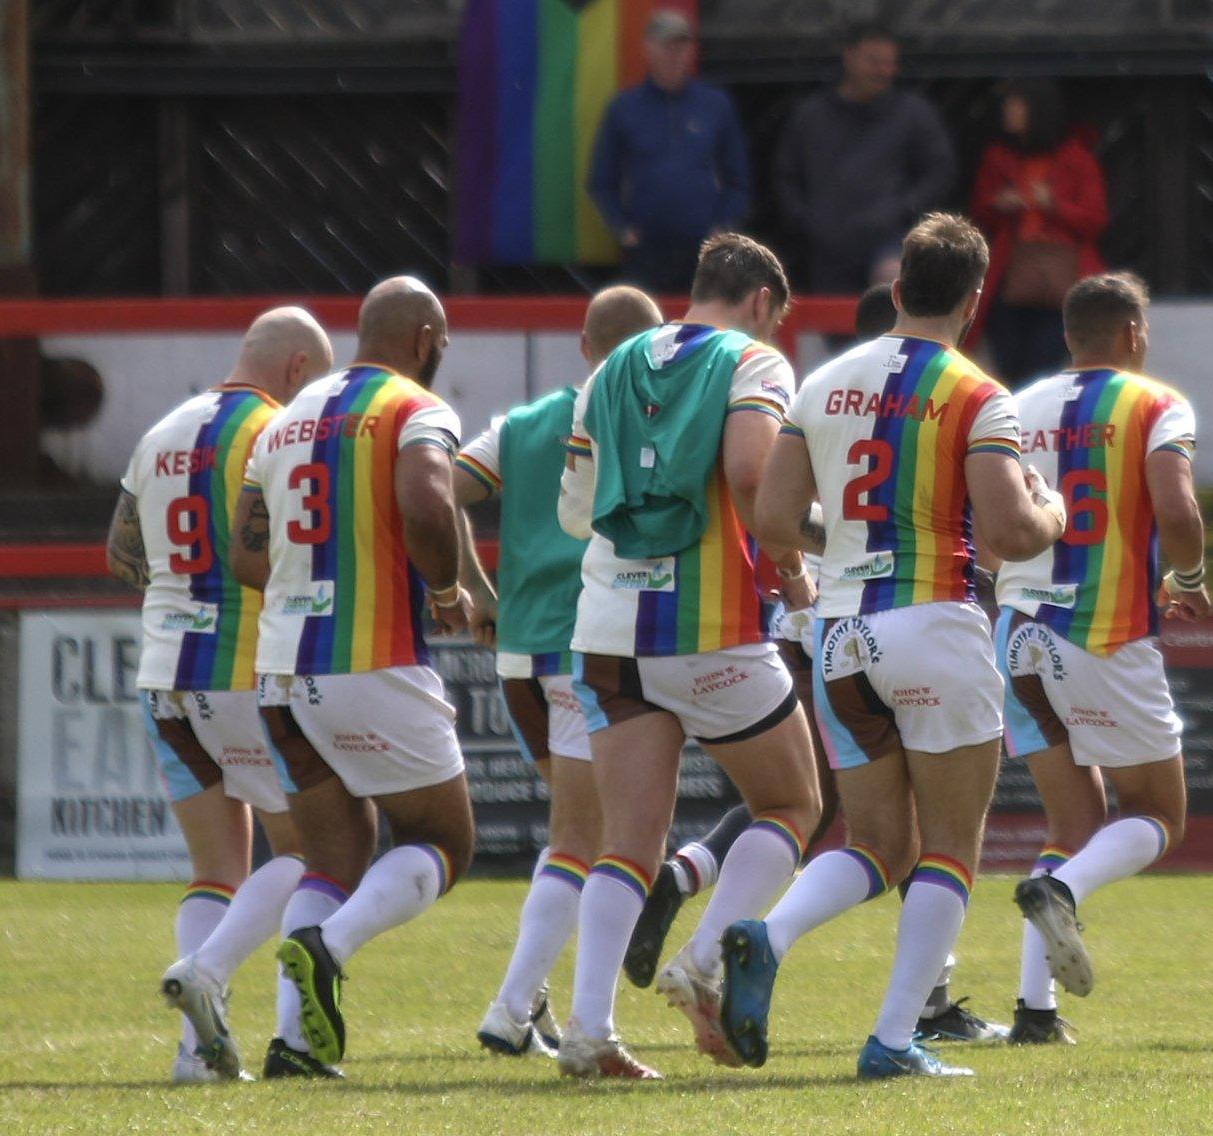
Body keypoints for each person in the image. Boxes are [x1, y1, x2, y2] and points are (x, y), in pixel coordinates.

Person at [726, 213, 1068, 1079]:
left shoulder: (823, 383)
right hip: (936, 623)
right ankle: (890, 1040)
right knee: (950, 846)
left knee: (876, 844)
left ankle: (769, 933)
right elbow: (1012, 532)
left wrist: (839, 541)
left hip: (841, 636)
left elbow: (770, 520)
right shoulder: (976, 392)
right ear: (975, 294)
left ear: (902, 284)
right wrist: (1051, 508)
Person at [452, 286, 755, 1055]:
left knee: (577, 835)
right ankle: (513, 1007)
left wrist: (470, 587)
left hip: (520, 651)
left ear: (584, 345)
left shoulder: (520, 425)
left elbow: (443, 486)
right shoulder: (654, 407)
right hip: (593, 642)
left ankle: (530, 1004)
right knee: (585, 838)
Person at [552, 234, 824, 1080]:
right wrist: (793, 561)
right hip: (707, 629)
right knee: (793, 801)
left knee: (626, 845)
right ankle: (703, 957)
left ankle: (588, 1031)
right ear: (761, 303)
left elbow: (574, 512)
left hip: (606, 630)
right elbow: (751, 471)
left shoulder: (609, 370)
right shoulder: (756, 362)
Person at [235, 278, 477, 1078]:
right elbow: (427, 501)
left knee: (331, 858)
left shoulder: (284, 419)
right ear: (424, 337)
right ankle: (327, 947)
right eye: (441, 342)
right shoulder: (414, 407)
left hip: (277, 671)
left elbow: (244, 555)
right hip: (371, 658)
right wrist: (446, 591)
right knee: (443, 838)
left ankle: (292, 1048)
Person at [113, 307, 332, 1083]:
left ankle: (195, 1057)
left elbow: (120, 551)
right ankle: (205, 970)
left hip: (162, 675)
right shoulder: (278, 432)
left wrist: (179, 593)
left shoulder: (159, 431)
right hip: (241, 672)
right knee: (306, 853)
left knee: (216, 870)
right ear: (299, 368)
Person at [993, 272, 1207, 1045]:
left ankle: (1034, 1011)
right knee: (1159, 812)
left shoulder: (1016, 408)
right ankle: (1067, 892)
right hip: (1103, 632)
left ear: (1067, 336)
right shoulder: (1156, 404)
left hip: (1016, 631)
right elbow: (1177, 511)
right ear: (1133, 334)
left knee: (1072, 818)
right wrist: (1188, 577)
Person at [773, 24, 957, 293]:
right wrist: (806, 219)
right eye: (874, 61)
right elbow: (785, 176)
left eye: (889, 63)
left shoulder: (914, 115)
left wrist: (903, 208)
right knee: (826, 324)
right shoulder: (811, 116)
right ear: (849, 58)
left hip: (891, 238)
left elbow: (940, 171)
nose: (883, 71)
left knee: (890, 290)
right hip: (827, 248)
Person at [586, 10, 751, 293]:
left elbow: (738, 177)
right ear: (648, 48)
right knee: (648, 330)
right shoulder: (625, 108)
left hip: (703, 250)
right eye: (666, 46)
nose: (674, 54)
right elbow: (601, 180)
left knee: (702, 329)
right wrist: (622, 229)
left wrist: (722, 226)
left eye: (681, 46)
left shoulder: (714, 105)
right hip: (646, 250)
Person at [969, 79, 1109, 388]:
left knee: (1044, 365)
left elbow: (1095, 220)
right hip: (1008, 275)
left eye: (1015, 106)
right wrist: (999, 205)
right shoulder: (998, 157)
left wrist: (1053, 206)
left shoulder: (1077, 159)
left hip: (1063, 279)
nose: (1008, 112)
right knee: (1008, 363)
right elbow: (979, 214)